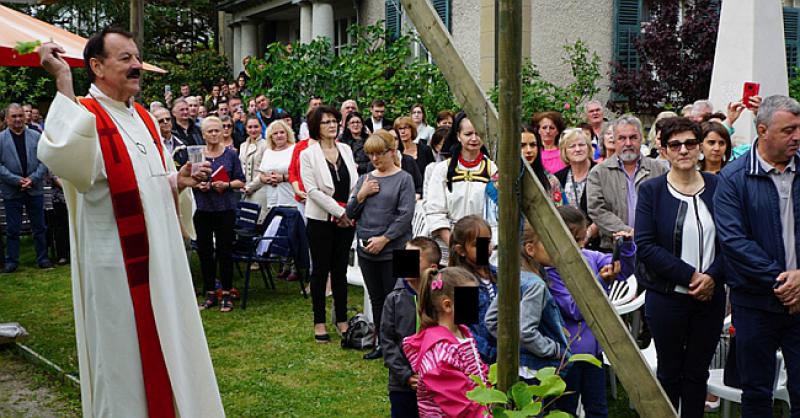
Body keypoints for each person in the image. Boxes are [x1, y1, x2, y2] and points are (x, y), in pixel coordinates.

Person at [36, 28, 223, 416]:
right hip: (116, 270)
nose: (137, 65)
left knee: (171, 345)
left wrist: (176, 182)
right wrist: (63, 79)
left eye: (137, 57)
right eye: (126, 58)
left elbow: (147, 185)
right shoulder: (86, 115)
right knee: (123, 363)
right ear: (97, 66)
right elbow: (68, 160)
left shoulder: (145, 119)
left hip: (163, 265)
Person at [714, 95, 800, 417]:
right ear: (762, 130)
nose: (797, 137)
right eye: (788, 130)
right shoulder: (734, 178)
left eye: (799, 129)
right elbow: (734, 242)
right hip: (755, 305)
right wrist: (784, 283)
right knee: (756, 393)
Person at [635, 117, 725, 417]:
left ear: (699, 148)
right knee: (670, 373)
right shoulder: (652, 191)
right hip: (667, 298)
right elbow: (646, 244)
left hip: (710, 298)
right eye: (675, 145)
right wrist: (691, 277)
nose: (683, 150)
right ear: (664, 151)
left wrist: (712, 277)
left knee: (698, 373)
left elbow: (733, 239)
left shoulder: (718, 186)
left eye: (690, 143)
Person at [549, 207, 634, 417]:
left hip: (593, 354)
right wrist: (601, 282)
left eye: (583, 238)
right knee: (566, 410)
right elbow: (575, 310)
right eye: (576, 239)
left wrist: (626, 248)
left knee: (598, 409)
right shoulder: (551, 272)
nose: (581, 245)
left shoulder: (590, 257)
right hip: (567, 358)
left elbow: (622, 270)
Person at [346, 133, 416, 359]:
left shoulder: (404, 179)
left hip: (397, 249)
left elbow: (405, 215)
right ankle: (382, 343)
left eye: (379, 153)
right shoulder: (364, 179)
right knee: (376, 299)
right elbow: (350, 213)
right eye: (371, 154)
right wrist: (361, 195)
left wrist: (384, 239)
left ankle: (402, 346)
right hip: (367, 250)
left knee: (398, 300)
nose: (375, 159)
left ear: (392, 151)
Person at [300, 105, 358, 343]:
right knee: (320, 270)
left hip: (346, 221)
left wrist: (349, 212)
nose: (332, 125)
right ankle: (319, 321)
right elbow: (312, 190)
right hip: (321, 221)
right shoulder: (308, 154)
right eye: (326, 122)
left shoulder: (346, 149)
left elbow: (354, 183)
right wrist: (338, 211)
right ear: (316, 127)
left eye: (334, 121)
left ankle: (342, 319)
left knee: (340, 270)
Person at [485, 222, 569, 382]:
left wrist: (512, 344)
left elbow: (491, 321)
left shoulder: (512, 276)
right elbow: (525, 331)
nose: (557, 249)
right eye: (550, 243)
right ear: (530, 249)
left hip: (517, 364)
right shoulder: (535, 284)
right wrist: (554, 349)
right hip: (536, 368)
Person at [402, 267, 490, 418]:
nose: (478, 306)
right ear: (447, 305)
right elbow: (461, 408)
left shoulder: (463, 332)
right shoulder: (440, 355)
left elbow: (479, 371)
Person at [587, 115, 668, 251]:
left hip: (654, 247)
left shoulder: (659, 170)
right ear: (614, 140)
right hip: (613, 248)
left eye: (633, 137)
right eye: (622, 138)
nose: (628, 143)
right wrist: (627, 232)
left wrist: (645, 234)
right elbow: (596, 209)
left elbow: (667, 206)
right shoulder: (599, 173)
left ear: (641, 139)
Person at [381, 236, 441, 418]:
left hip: (437, 384)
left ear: (432, 267)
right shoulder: (394, 298)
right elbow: (387, 341)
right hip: (402, 386)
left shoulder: (442, 299)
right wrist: (405, 375)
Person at [195, 116, 246, 312]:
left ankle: (226, 292)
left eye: (217, 130)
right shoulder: (197, 155)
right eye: (210, 131)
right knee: (205, 251)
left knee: (225, 251)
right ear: (203, 134)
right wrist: (198, 185)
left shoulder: (231, 154)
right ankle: (209, 292)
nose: (214, 134)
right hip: (202, 209)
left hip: (225, 208)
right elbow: (190, 179)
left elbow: (241, 181)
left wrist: (226, 184)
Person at [425, 112, 497, 249]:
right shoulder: (442, 169)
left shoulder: (492, 170)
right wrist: (453, 245)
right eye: (468, 134)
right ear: (458, 136)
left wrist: (485, 246)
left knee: (480, 263)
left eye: (478, 134)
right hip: (449, 238)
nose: (474, 138)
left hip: (482, 239)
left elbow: (495, 216)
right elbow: (435, 211)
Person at [0, 103, 50, 272]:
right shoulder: (1, 139)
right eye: (14, 116)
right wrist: (17, 180)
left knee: (39, 227)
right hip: (12, 190)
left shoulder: (36, 136)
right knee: (12, 229)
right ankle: (12, 262)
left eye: (20, 115)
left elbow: (45, 160)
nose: (18, 119)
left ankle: (43, 259)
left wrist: (32, 179)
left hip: (34, 189)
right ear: (7, 119)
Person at [447, 215, 497, 363]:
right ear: (461, 250)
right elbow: (466, 332)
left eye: (487, 242)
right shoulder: (464, 284)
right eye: (477, 245)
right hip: (484, 359)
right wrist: (493, 355)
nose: (486, 248)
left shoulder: (498, 275)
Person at [555, 129, 598, 246]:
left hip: (596, 242)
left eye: (581, 145)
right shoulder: (558, 178)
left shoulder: (601, 172)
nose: (577, 149)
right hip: (565, 241)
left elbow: (607, 208)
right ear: (564, 151)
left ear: (588, 147)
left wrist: (586, 235)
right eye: (572, 146)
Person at [259, 120, 298, 213]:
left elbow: (302, 175)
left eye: (282, 132)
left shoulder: (295, 149)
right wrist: (267, 179)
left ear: (287, 134)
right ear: (271, 137)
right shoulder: (268, 152)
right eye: (275, 133)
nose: (279, 135)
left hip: (292, 201)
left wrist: (283, 178)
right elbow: (261, 175)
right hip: (272, 202)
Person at [239, 115, 268, 215]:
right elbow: (241, 166)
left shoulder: (266, 145)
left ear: (261, 127)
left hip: (261, 189)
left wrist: (251, 187)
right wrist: (243, 185)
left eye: (256, 127)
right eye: (250, 127)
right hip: (244, 190)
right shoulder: (242, 146)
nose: (253, 130)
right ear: (246, 129)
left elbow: (265, 170)